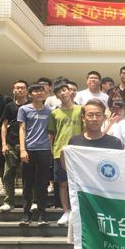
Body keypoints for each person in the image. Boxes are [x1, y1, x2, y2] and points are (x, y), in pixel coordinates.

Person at [61, 99, 123, 249]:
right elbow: (66, 167)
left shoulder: (114, 143)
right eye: (90, 115)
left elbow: (120, 172)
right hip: (82, 206)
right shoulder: (75, 141)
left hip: (106, 207)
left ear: (104, 117)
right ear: (83, 117)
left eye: (98, 114)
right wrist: (64, 153)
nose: (94, 118)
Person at [47, 82, 83, 226]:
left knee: (79, 183)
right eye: (59, 92)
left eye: (64, 90)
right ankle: (65, 211)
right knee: (62, 183)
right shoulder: (54, 113)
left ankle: (78, 210)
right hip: (59, 152)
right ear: (56, 96)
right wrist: (51, 151)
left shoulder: (81, 110)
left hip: (79, 152)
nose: (62, 93)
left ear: (70, 91)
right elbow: (51, 134)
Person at [17, 83, 52, 226]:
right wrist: (22, 149)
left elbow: (51, 132)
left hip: (45, 150)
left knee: (43, 183)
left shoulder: (50, 111)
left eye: (41, 91)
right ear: (30, 94)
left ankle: (42, 214)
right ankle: (26, 213)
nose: (39, 93)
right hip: (29, 150)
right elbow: (22, 129)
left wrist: (51, 149)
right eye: (36, 91)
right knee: (28, 182)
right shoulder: (24, 109)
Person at [0, 79, 28, 212]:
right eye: (17, 88)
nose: (19, 90)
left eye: (22, 88)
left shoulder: (31, 105)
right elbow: (4, 126)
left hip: (28, 145)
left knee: (29, 175)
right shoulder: (9, 106)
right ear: (13, 90)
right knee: (8, 174)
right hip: (11, 144)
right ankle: (8, 202)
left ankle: (31, 202)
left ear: (27, 90)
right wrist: (3, 144)